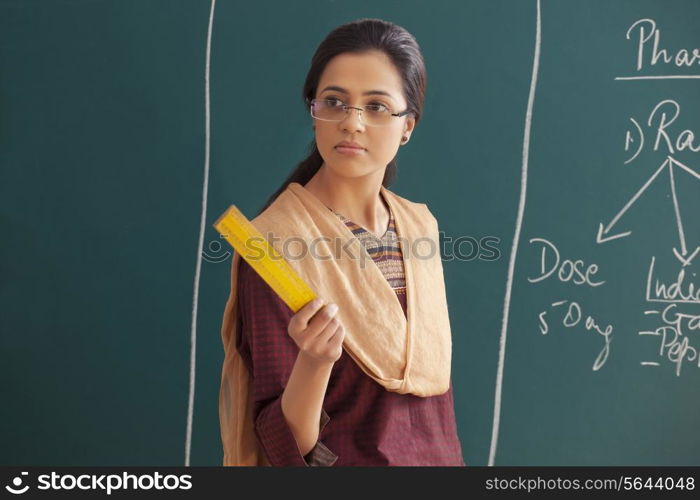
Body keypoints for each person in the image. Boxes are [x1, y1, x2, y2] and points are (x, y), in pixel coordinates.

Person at [219, 18, 464, 466]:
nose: (351, 123)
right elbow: (282, 444)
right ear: (313, 111)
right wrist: (314, 362)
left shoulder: (419, 226)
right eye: (334, 102)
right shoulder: (273, 247)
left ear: (407, 126)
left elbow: (434, 405)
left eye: (376, 106)